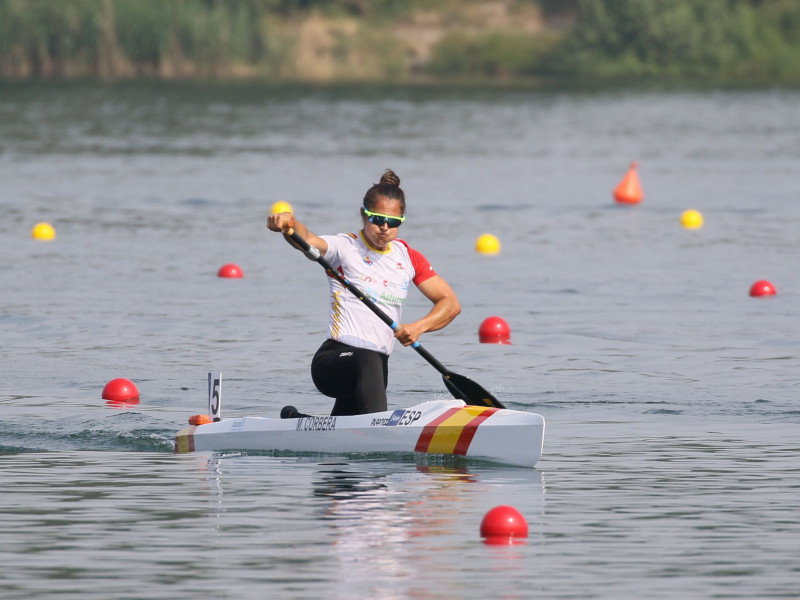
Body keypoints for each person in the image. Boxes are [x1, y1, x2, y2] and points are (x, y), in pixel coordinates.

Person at [266, 169, 461, 417]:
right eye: (377, 219)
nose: (384, 227)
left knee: (349, 426)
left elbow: (451, 304)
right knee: (368, 360)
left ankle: (296, 421)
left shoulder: (409, 258)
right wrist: (290, 224)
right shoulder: (344, 247)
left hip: (374, 367)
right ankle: (382, 433)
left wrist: (419, 327)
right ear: (363, 214)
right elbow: (307, 239)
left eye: (393, 222)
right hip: (334, 362)